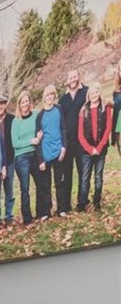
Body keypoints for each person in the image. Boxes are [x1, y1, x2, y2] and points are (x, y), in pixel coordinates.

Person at [79, 81, 115, 213]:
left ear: (99, 93)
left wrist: (99, 148)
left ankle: (97, 202)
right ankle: (82, 204)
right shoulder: (84, 110)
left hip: (101, 149)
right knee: (85, 178)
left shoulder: (105, 108)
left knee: (98, 177)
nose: (94, 95)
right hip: (86, 151)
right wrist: (90, 149)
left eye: (96, 92)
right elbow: (80, 134)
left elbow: (108, 129)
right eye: (91, 93)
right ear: (88, 95)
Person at [36, 84, 68, 218]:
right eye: (47, 95)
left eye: (51, 94)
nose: (49, 97)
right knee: (45, 185)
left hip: (58, 152)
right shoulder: (40, 115)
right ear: (44, 97)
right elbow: (37, 138)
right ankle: (46, 212)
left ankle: (61, 209)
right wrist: (40, 159)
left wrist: (64, 147)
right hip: (46, 153)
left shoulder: (59, 109)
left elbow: (63, 129)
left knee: (59, 182)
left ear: (54, 96)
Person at [8, 91, 40, 223]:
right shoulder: (16, 121)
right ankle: (27, 217)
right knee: (25, 188)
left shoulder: (36, 115)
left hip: (36, 154)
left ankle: (41, 211)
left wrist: (40, 135)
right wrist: (30, 141)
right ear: (19, 104)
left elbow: (41, 128)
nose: (25, 104)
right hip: (22, 157)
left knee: (40, 184)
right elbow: (15, 143)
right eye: (22, 102)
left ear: (30, 102)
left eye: (27, 101)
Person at [59, 69, 88, 211]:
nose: (73, 79)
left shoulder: (86, 92)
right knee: (67, 173)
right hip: (68, 141)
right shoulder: (62, 99)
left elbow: (97, 102)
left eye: (75, 76)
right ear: (67, 79)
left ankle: (82, 202)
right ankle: (66, 205)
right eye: (70, 77)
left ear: (78, 77)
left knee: (83, 171)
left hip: (82, 140)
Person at [0, 97, 15, 225]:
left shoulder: (12, 119)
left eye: (2, 105)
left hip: (10, 160)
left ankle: (9, 216)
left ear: (5, 106)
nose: (0, 107)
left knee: (9, 190)